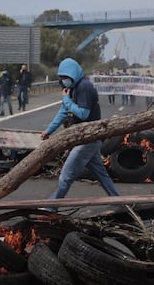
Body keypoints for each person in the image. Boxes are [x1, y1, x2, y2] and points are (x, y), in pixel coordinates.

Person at [40, 58, 119, 212]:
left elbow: (83, 113)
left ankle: (51, 207)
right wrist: (48, 130)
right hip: (85, 138)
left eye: (65, 77)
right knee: (101, 174)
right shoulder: (73, 88)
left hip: (87, 139)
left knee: (66, 175)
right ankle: (119, 201)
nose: (63, 81)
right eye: (61, 78)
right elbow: (63, 112)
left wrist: (67, 101)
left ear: (73, 74)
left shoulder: (84, 87)